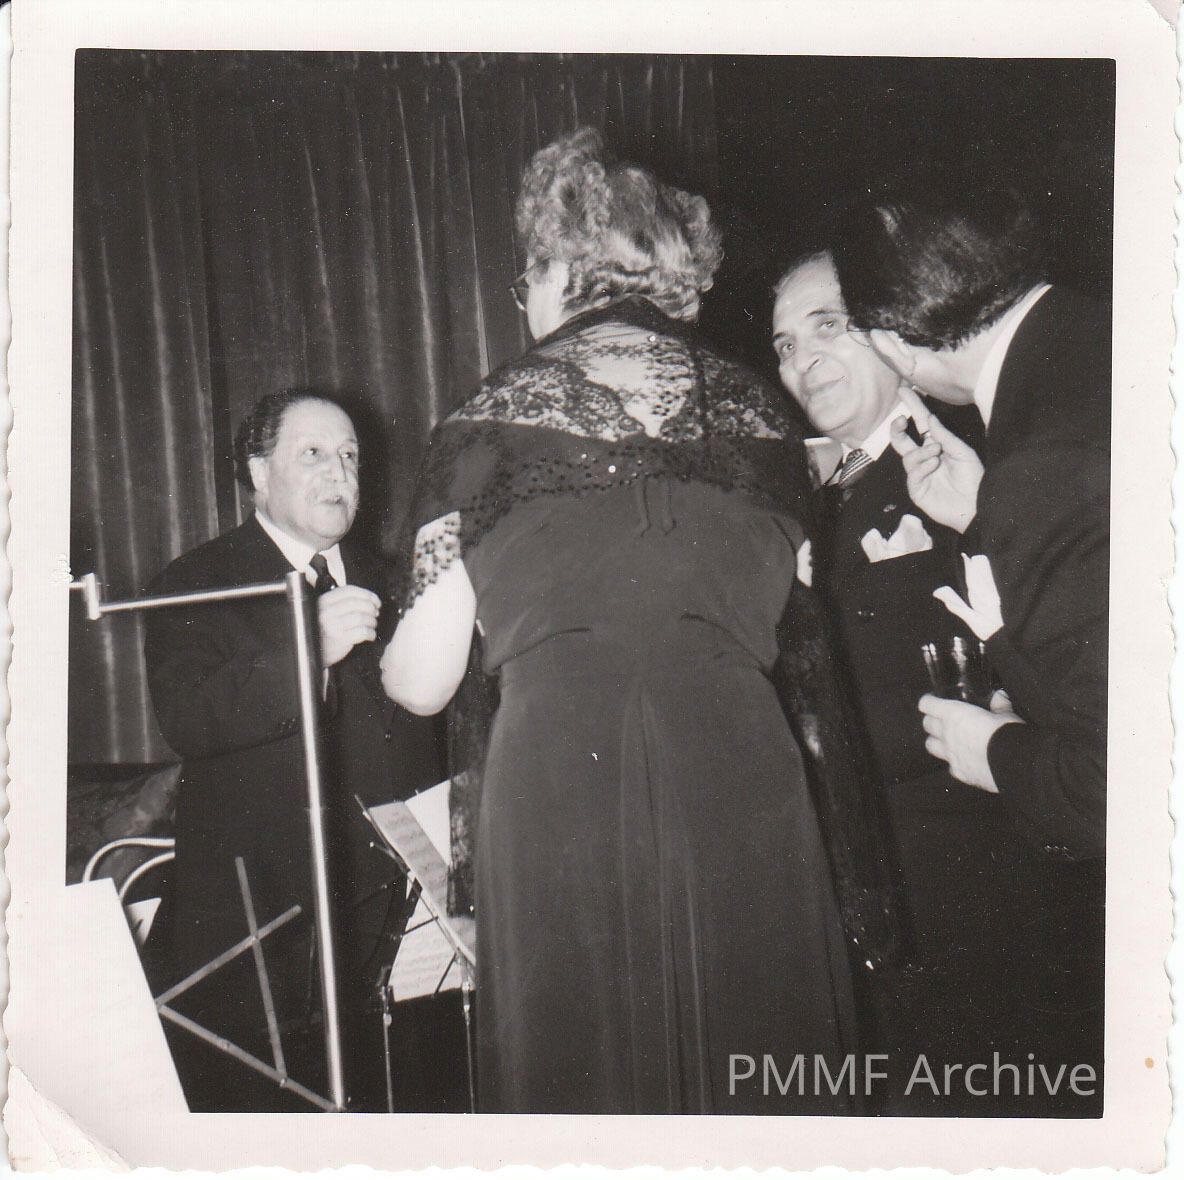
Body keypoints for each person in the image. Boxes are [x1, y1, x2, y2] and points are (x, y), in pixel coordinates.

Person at [382, 128, 891, 1115]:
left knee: (586, 1073)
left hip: (558, 781)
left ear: (556, 268)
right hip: (741, 766)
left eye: (525, 278)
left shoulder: (486, 421)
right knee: (753, 1053)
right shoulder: (765, 420)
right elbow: (794, 624)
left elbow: (421, 681)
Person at [772, 248, 1076, 1113]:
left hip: (973, 883)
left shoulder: (982, 452)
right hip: (854, 883)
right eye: (785, 344)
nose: (803, 360)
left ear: (890, 333)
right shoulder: (793, 496)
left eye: (827, 327)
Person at [830, 187, 1107, 1110]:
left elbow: (1121, 784)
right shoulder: (1098, 346)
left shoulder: (1044, 459)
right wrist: (985, 514)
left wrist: (997, 752)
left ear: (897, 344)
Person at [143, 391, 445, 1112]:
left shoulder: (398, 579)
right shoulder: (194, 582)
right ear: (258, 472)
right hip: (264, 936)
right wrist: (307, 650)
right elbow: (188, 720)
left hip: (399, 925)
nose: (339, 472)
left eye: (350, 456)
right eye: (313, 453)